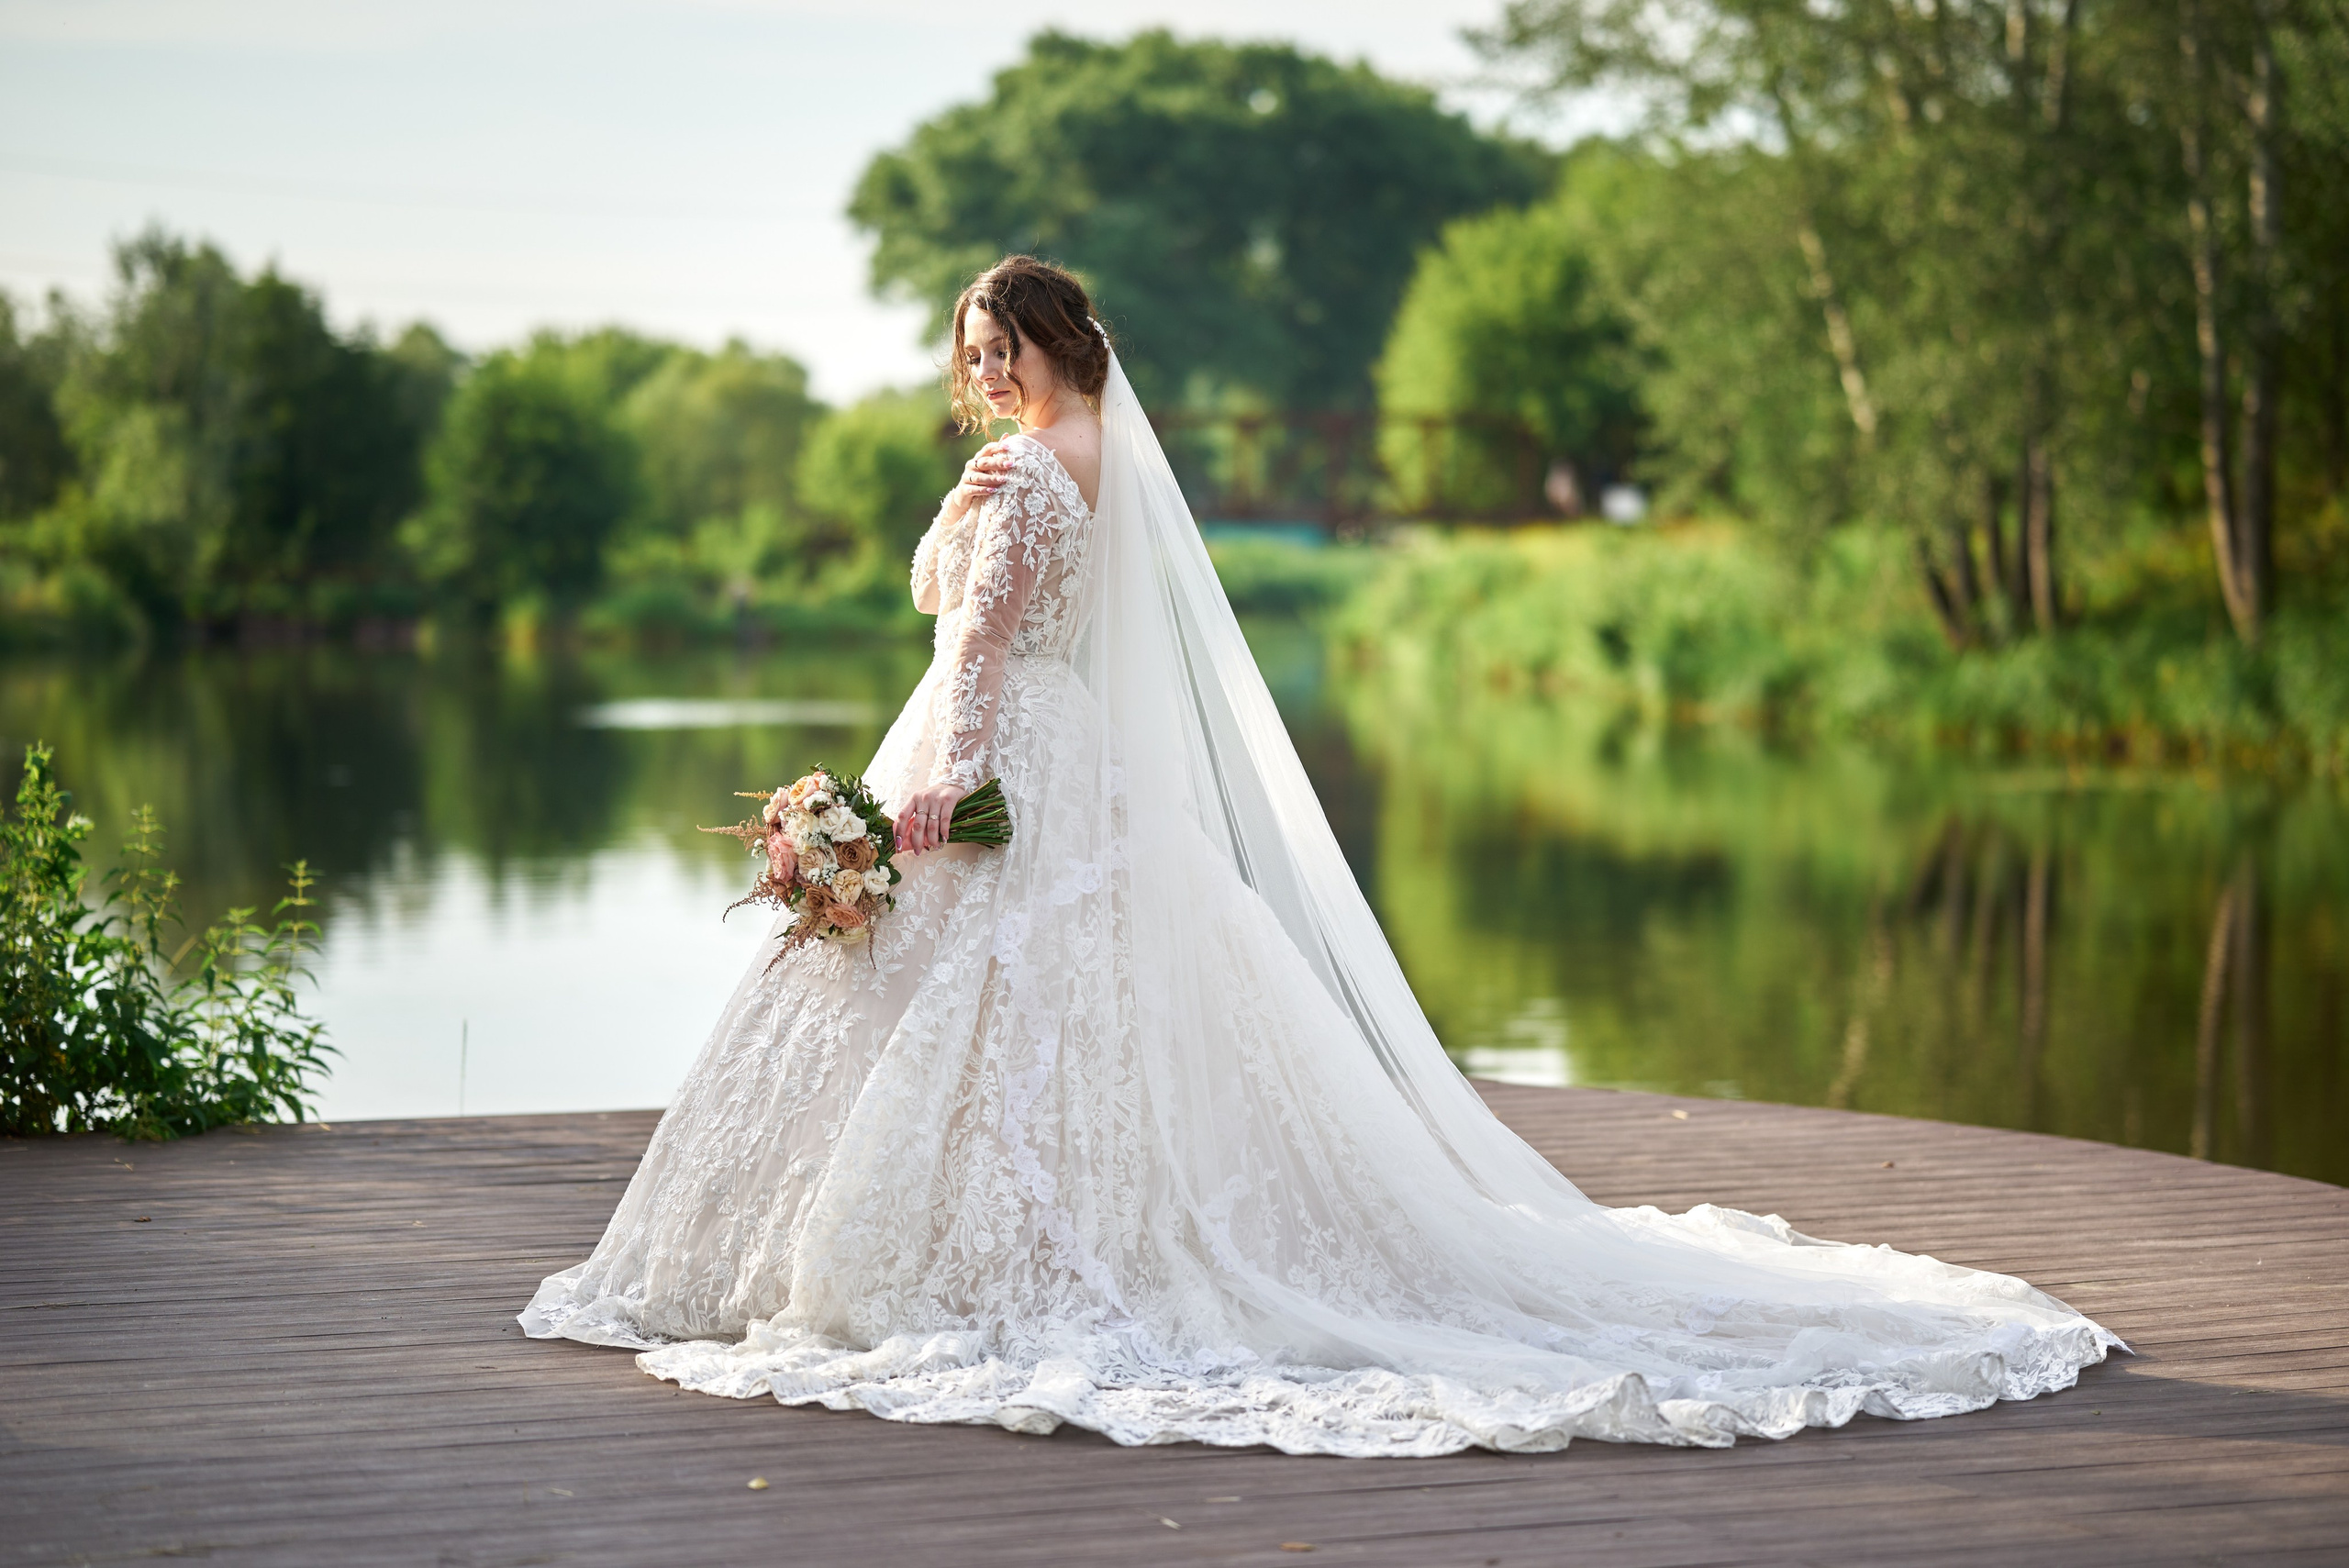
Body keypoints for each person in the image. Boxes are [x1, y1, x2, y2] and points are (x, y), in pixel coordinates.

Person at [521, 254, 2118, 1456]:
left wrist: (950, 780)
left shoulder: (1023, 469)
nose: (988, 372)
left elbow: (977, 635)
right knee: (1058, 1000)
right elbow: (977, 596)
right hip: (1080, 753)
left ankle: (978, 1254)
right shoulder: (1098, 456)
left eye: (1004, 347)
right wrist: (966, 518)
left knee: (982, 992)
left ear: (1056, 344)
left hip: (998, 749)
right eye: (975, 353)